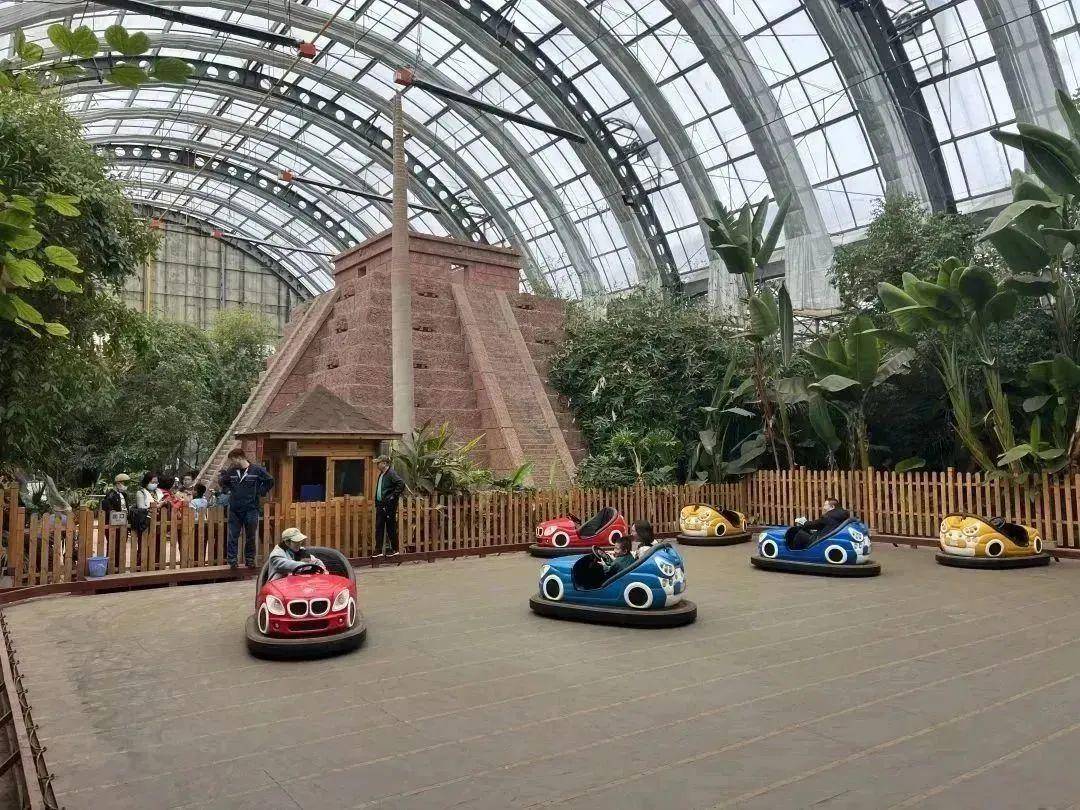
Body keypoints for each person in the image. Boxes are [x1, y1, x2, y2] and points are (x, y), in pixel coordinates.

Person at [218, 447, 274, 569]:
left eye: (233, 460)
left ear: (239, 458)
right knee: (233, 535)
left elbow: (270, 480)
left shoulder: (256, 470)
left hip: (251, 508)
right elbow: (223, 482)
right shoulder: (231, 471)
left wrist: (261, 491)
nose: (232, 463)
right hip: (235, 509)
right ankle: (232, 560)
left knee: (251, 536)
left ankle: (250, 559)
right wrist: (227, 490)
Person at [373, 455, 405, 558]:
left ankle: (395, 549)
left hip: (388, 505)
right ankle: (378, 550)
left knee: (390, 526)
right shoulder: (382, 474)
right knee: (379, 527)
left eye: (378, 463)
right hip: (381, 504)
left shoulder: (391, 473)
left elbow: (401, 483)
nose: (377, 465)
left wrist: (393, 496)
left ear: (384, 463)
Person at [100, 474, 130, 570]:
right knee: (113, 545)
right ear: (118, 483)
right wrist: (112, 512)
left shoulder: (124, 495)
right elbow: (106, 507)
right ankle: (111, 567)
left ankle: (119, 566)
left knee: (122, 545)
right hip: (113, 524)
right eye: (124, 483)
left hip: (123, 523)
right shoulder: (110, 494)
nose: (125, 486)